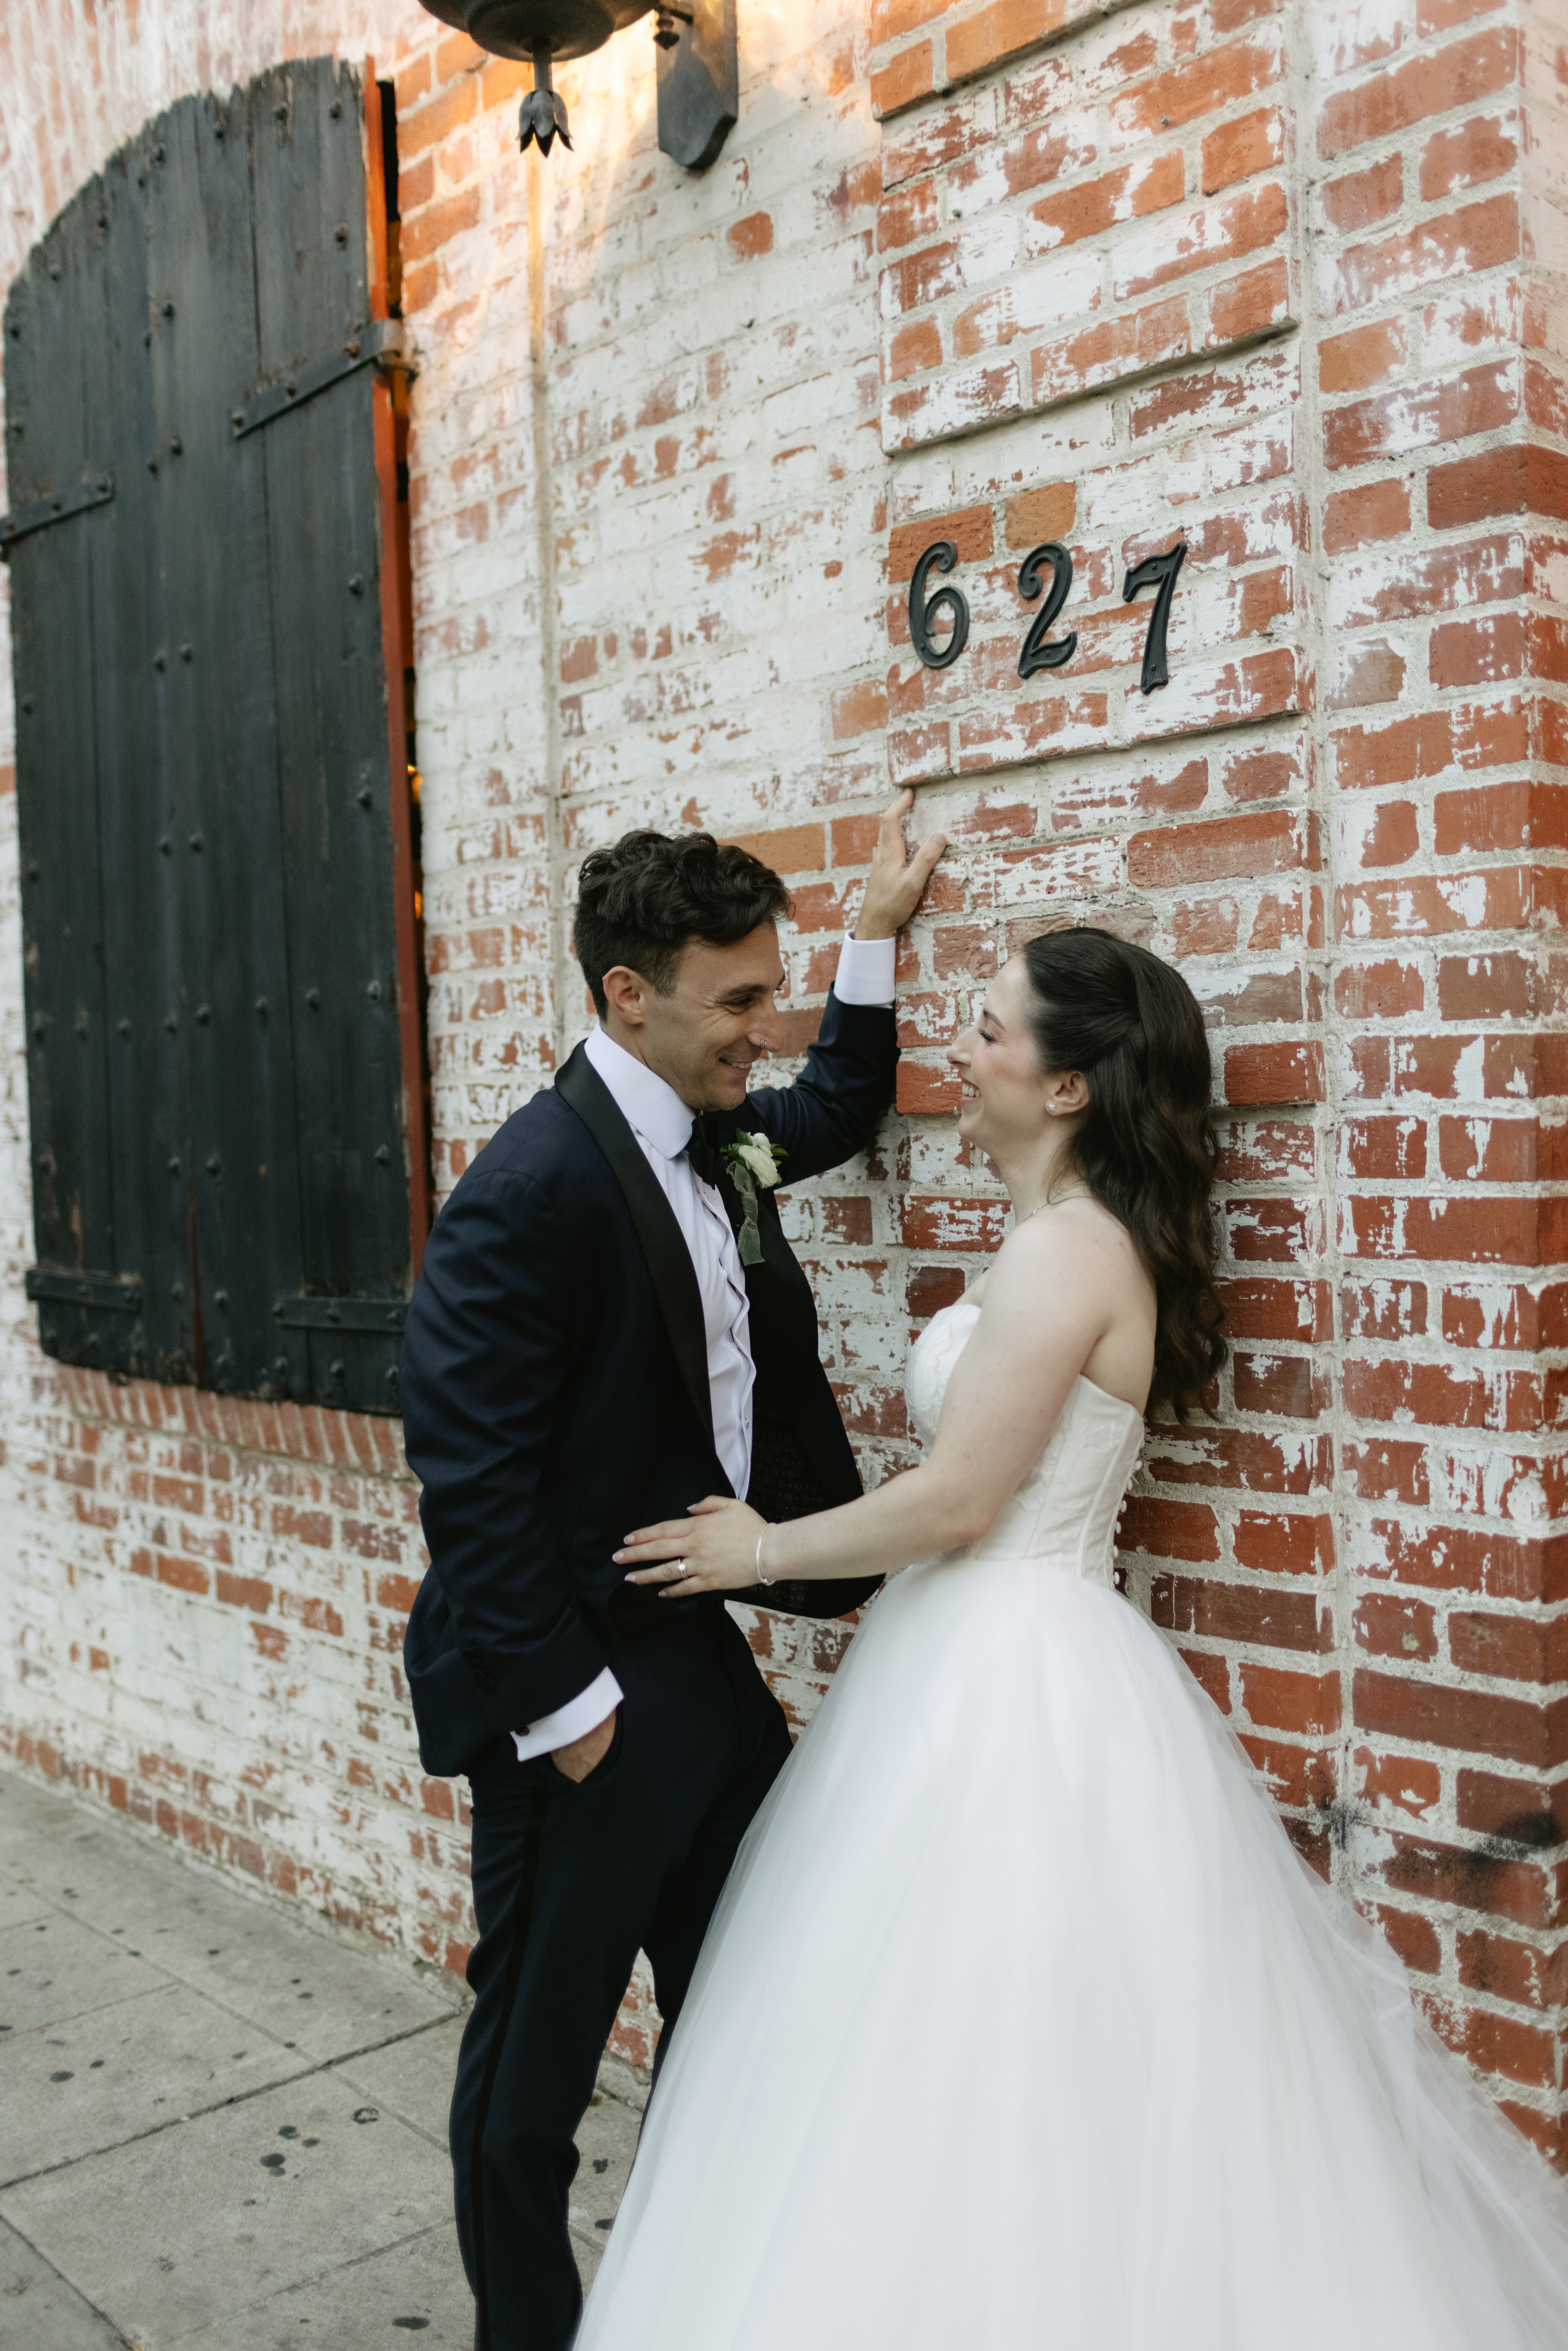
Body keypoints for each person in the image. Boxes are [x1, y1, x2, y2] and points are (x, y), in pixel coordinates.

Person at [583, 925, 1568, 2351]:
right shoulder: (1058, 1238)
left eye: (990, 1030)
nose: (962, 1051)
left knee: (998, 2037)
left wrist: (763, 1548)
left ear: (1067, 1088)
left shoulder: (1065, 1250)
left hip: (1012, 1670)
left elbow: (968, 1495)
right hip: (979, 1653)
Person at [397, 793, 946, 2351]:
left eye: (767, 994)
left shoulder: (725, 1131)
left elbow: (837, 1095)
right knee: (530, 2096)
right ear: (627, 996)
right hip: (580, 1699)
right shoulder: (529, 1194)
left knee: (748, 2023)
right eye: (736, 1002)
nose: (758, 1035)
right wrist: (568, 1717)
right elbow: (469, 1469)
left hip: (701, 1668)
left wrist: (873, 940)